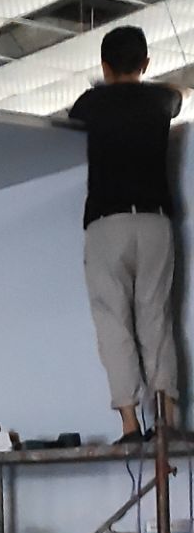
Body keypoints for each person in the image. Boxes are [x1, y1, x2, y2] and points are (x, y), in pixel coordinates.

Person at [68, 24, 186, 444]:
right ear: (146, 63)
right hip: (155, 222)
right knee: (157, 321)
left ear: (104, 66)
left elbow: (74, 114)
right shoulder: (160, 101)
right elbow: (178, 95)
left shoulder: (93, 103)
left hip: (107, 223)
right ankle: (166, 423)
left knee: (113, 322)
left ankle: (131, 425)